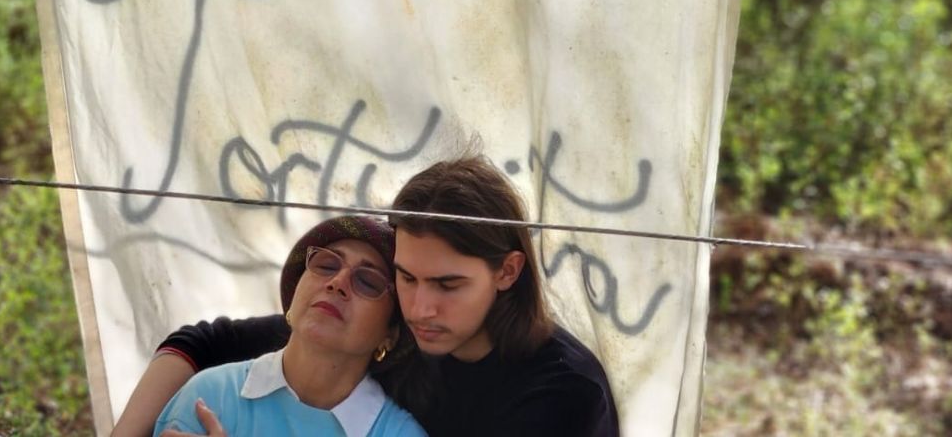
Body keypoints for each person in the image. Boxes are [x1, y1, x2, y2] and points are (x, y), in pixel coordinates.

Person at [112, 157, 617, 437]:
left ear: (507, 271)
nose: (420, 308)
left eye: (448, 284)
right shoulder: (400, 336)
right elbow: (203, 343)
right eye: (405, 278)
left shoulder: (564, 394)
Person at [146, 214, 425, 437]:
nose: (337, 282)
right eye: (326, 264)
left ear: (391, 335)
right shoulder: (209, 396)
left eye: (368, 281)